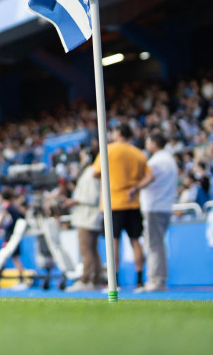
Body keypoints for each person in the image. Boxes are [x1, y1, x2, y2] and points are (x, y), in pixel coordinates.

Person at [93, 124, 152, 288]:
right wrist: (135, 187)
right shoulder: (138, 153)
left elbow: (95, 173)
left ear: (118, 133)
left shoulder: (109, 150)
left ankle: (115, 281)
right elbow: (149, 176)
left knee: (113, 242)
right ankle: (140, 280)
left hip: (113, 202)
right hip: (132, 203)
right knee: (135, 241)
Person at [130, 132, 178, 292]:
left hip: (154, 207)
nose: (146, 143)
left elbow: (148, 177)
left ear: (155, 143)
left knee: (153, 244)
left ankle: (156, 280)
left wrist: (135, 188)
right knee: (157, 244)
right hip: (164, 206)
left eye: (148, 141)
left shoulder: (157, 161)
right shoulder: (169, 159)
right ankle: (159, 279)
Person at [65, 151, 103, 291]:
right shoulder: (91, 172)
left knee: (86, 250)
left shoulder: (91, 173)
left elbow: (92, 197)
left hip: (87, 217)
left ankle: (86, 280)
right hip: (90, 217)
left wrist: (74, 201)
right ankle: (95, 280)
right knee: (92, 250)